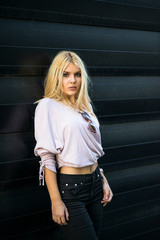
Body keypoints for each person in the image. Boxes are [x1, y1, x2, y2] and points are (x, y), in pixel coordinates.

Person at [34, 51, 113, 240]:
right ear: (56, 76)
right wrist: (55, 200)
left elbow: (88, 150)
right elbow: (47, 157)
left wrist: (102, 179)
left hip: (95, 184)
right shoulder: (48, 106)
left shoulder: (85, 106)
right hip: (71, 190)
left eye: (77, 74)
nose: (73, 80)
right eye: (66, 74)